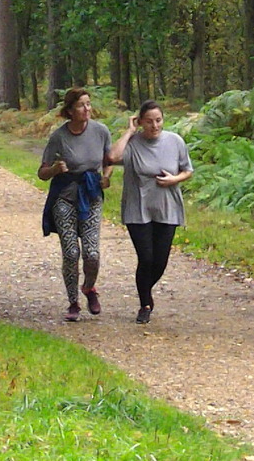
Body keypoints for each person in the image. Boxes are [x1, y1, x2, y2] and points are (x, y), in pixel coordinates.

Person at [110, 100, 193, 324]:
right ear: (140, 122)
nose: (154, 125)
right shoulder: (133, 143)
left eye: (158, 120)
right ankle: (145, 303)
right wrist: (129, 131)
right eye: (149, 121)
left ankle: (144, 288)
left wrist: (174, 179)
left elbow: (187, 170)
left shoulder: (175, 141)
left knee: (160, 261)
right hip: (138, 208)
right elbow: (112, 157)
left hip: (168, 207)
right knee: (146, 257)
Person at [39, 87, 114, 322]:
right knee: (71, 252)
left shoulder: (101, 131)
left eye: (89, 104)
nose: (87, 109)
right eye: (82, 105)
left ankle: (89, 288)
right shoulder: (59, 137)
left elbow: (108, 160)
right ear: (70, 110)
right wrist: (54, 169)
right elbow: (42, 172)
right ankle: (73, 302)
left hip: (91, 195)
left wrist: (106, 176)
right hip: (64, 196)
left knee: (92, 253)